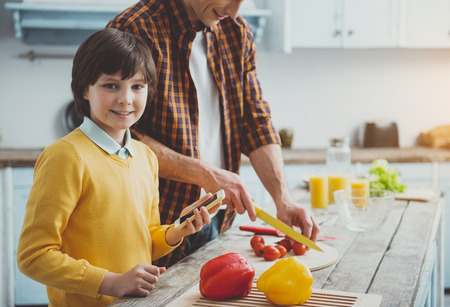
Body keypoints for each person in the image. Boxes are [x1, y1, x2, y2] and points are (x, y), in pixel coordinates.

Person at [16, 28, 220, 307]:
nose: (126, 98)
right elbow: (33, 257)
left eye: (137, 86)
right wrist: (111, 282)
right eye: (111, 85)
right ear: (84, 89)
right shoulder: (66, 156)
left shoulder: (146, 156)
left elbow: (144, 238)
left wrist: (177, 231)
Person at [107, 0, 320, 267]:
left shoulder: (236, 31)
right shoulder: (134, 28)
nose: (234, 11)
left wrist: (283, 198)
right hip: (155, 227)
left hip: (216, 220)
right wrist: (206, 174)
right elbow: (120, 137)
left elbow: (255, 123)